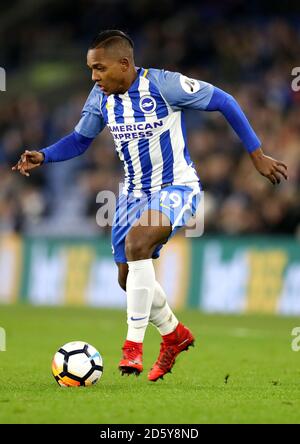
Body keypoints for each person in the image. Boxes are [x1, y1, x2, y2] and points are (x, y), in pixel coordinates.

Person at [12, 29, 288, 382]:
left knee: (138, 244)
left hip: (176, 186)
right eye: (91, 70)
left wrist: (257, 154)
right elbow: (80, 141)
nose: (94, 77)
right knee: (127, 278)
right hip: (131, 195)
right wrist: (45, 155)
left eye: (99, 68)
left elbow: (225, 101)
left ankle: (132, 347)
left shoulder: (164, 86)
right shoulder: (100, 98)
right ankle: (173, 334)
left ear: (124, 64)